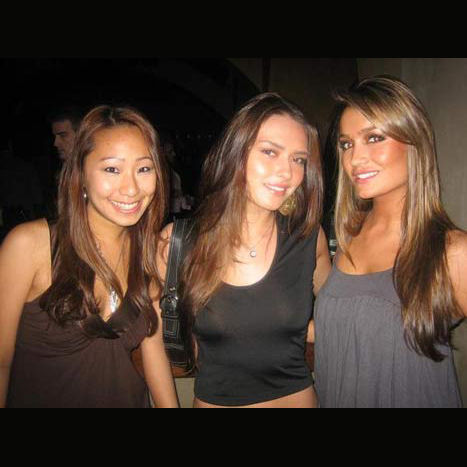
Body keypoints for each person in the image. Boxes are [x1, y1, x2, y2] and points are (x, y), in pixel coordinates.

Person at [157, 92, 331, 408]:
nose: (287, 172)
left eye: (298, 160)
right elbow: (153, 339)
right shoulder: (179, 243)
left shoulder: (308, 238)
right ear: (236, 154)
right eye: (270, 152)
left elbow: (339, 318)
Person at [0, 105, 179, 408]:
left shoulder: (150, 253)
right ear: (81, 174)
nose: (131, 188)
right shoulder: (31, 245)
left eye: (144, 169)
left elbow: (154, 353)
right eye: (112, 169)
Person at [313, 76, 467, 408]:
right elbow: (348, 326)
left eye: (374, 138)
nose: (355, 159)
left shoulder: (452, 252)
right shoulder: (349, 235)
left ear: (414, 141)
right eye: (346, 144)